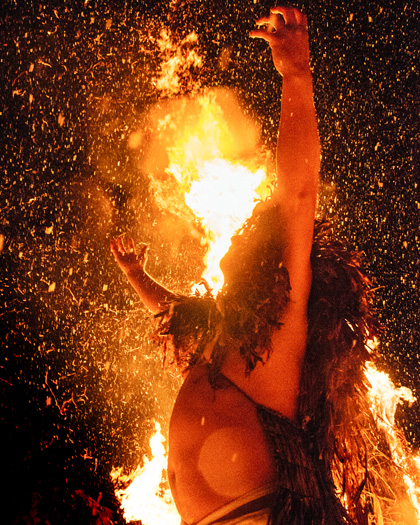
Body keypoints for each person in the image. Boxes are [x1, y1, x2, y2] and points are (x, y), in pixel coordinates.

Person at [111, 6, 418, 525]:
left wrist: (297, 76)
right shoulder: (227, 341)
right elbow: (176, 314)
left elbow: (298, 194)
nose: (231, 241)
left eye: (245, 236)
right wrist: (139, 277)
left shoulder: (281, 333)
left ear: (263, 267)